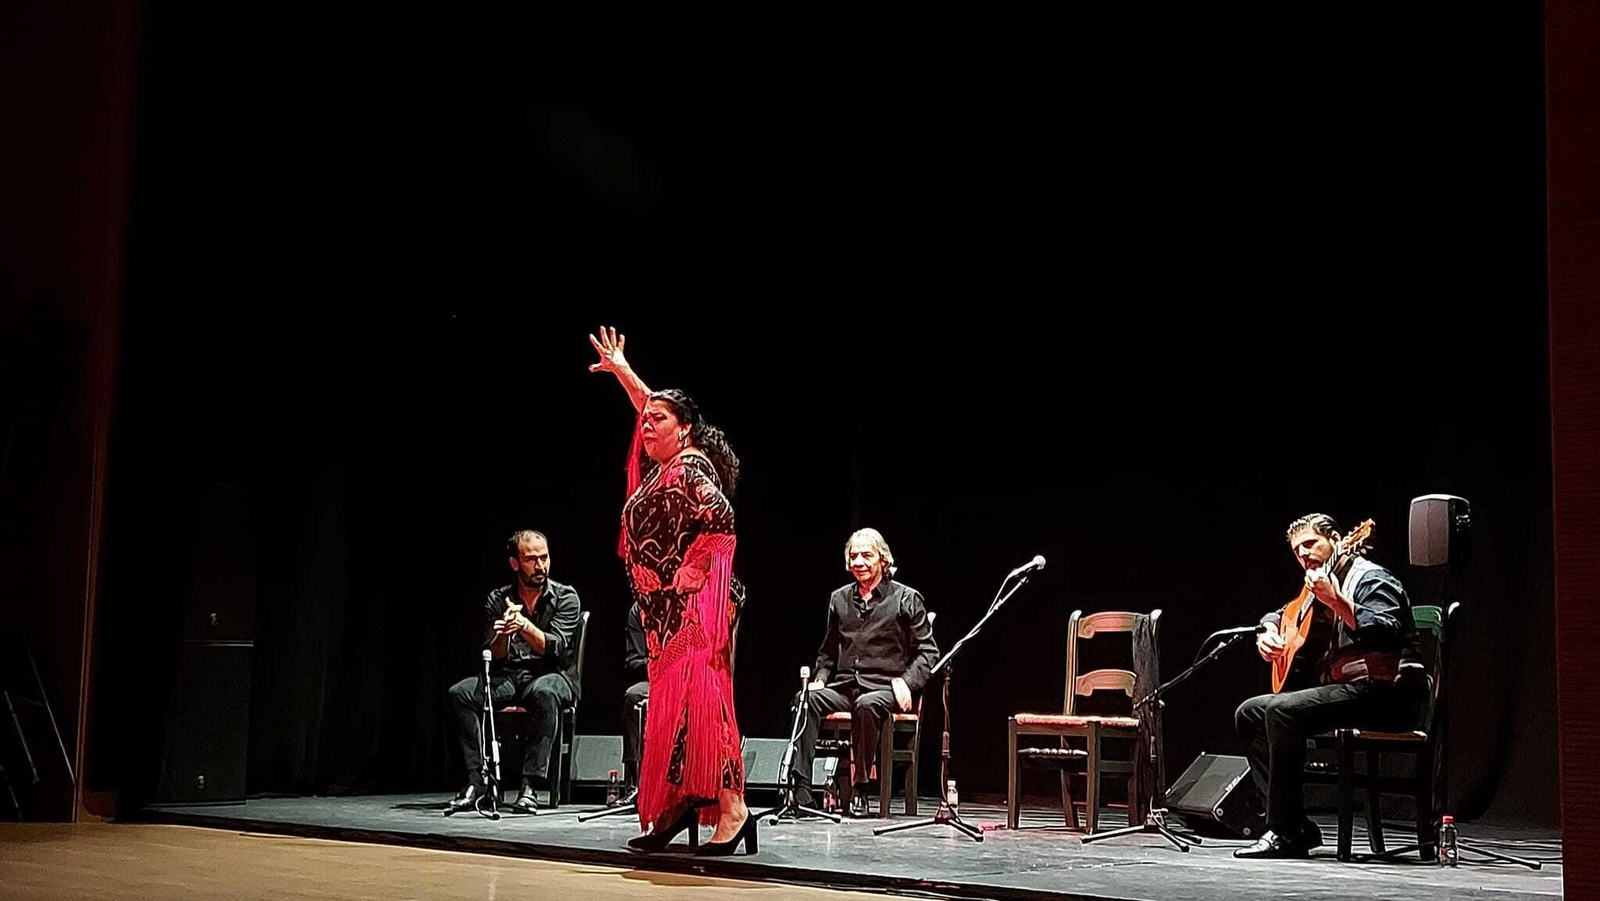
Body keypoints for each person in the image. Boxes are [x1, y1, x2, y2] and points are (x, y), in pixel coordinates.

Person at [589, 326, 754, 855]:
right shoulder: (666, 467)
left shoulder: (687, 469)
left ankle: (733, 809)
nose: (646, 427)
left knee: (707, 709)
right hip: (662, 618)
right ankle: (677, 805)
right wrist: (623, 372)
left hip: (693, 615)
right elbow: (650, 409)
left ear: (684, 431)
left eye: (658, 422)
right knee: (675, 714)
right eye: (646, 421)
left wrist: (695, 565)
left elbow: (722, 519)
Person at [1233, 513, 1428, 859]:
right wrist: (1269, 632)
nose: (1304, 554)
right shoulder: (1312, 591)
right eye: (1297, 551)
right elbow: (1280, 613)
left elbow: (1386, 631)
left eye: (1310, 544)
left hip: (1388, 695)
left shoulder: (1372, 579)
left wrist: (1337, 601)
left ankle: (1283, 832)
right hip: (1350, 694)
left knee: (1282, 709)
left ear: (1338, 540)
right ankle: (1295, 825)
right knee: (1249, 712)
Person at [790, 528, 938, 817]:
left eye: (866, 555)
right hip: (846, 686)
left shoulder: (906, 598)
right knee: (805, 699)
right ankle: (803, 791)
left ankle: (861, 790)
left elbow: (928, 652)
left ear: (882, 560)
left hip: (885, 688)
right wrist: (820, 680)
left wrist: (907, 682)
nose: (858, 561)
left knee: (866, 705)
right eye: (853, 556)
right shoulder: (839, 599)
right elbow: (827, 652)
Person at [445, 530, 581, 815]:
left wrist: (523, 625)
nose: (540, 566)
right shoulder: (498, 599)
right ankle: (478, 779)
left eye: (544, 558)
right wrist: (503, 634)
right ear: (515, 563)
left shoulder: (566, 597)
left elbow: (554, 648)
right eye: (531, 560)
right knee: (461, 694)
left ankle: (530, 785)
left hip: (553, 676)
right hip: (509, 676)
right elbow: (492, 656)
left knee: (544, 692)